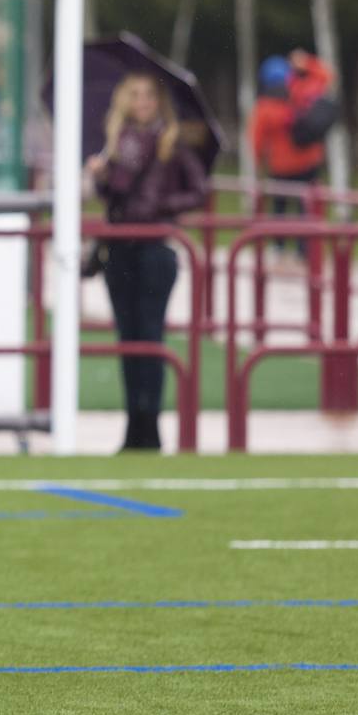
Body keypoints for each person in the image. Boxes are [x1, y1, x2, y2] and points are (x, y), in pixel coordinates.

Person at [84, 73, 210, 452]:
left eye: (150, 96)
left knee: (151, 336)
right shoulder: (114, 144)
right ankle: (132, 428)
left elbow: (198, 191)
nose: (143, 102)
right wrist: (100, 176)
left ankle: (150, 426)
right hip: (120, 248)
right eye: (135, 95)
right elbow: (113, 197)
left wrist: (160, 208)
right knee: (127, 339)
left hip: (155, 247)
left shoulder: (172, 143)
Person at [250, 50, 334, 259]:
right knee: (305, 209)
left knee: (280, 208)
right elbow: (326, 76)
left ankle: (279, 246)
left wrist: (258, 164)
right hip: (309, 161)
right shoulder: (299, 92)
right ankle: (303, 250)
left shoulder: (264, 107)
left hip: (281, 166)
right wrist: (307, 62)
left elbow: (256, 139)